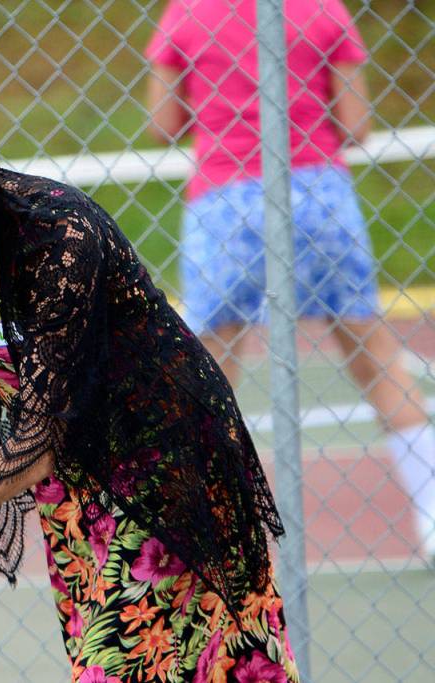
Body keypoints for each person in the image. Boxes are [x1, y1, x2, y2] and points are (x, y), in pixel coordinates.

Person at [0, 78, 301, 682]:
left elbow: (40, 439)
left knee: (142, 666)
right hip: (72, 487)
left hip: (163, 455)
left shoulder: (57, 237)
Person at [144, 0, 435, 564]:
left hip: (226, 200)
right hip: (317, 191)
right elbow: (355, 124)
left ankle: (201, 536)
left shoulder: (186, 12)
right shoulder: (325, 8)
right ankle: (433, 510)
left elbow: (163, 125)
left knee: (212, 378)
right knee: (375, 358)